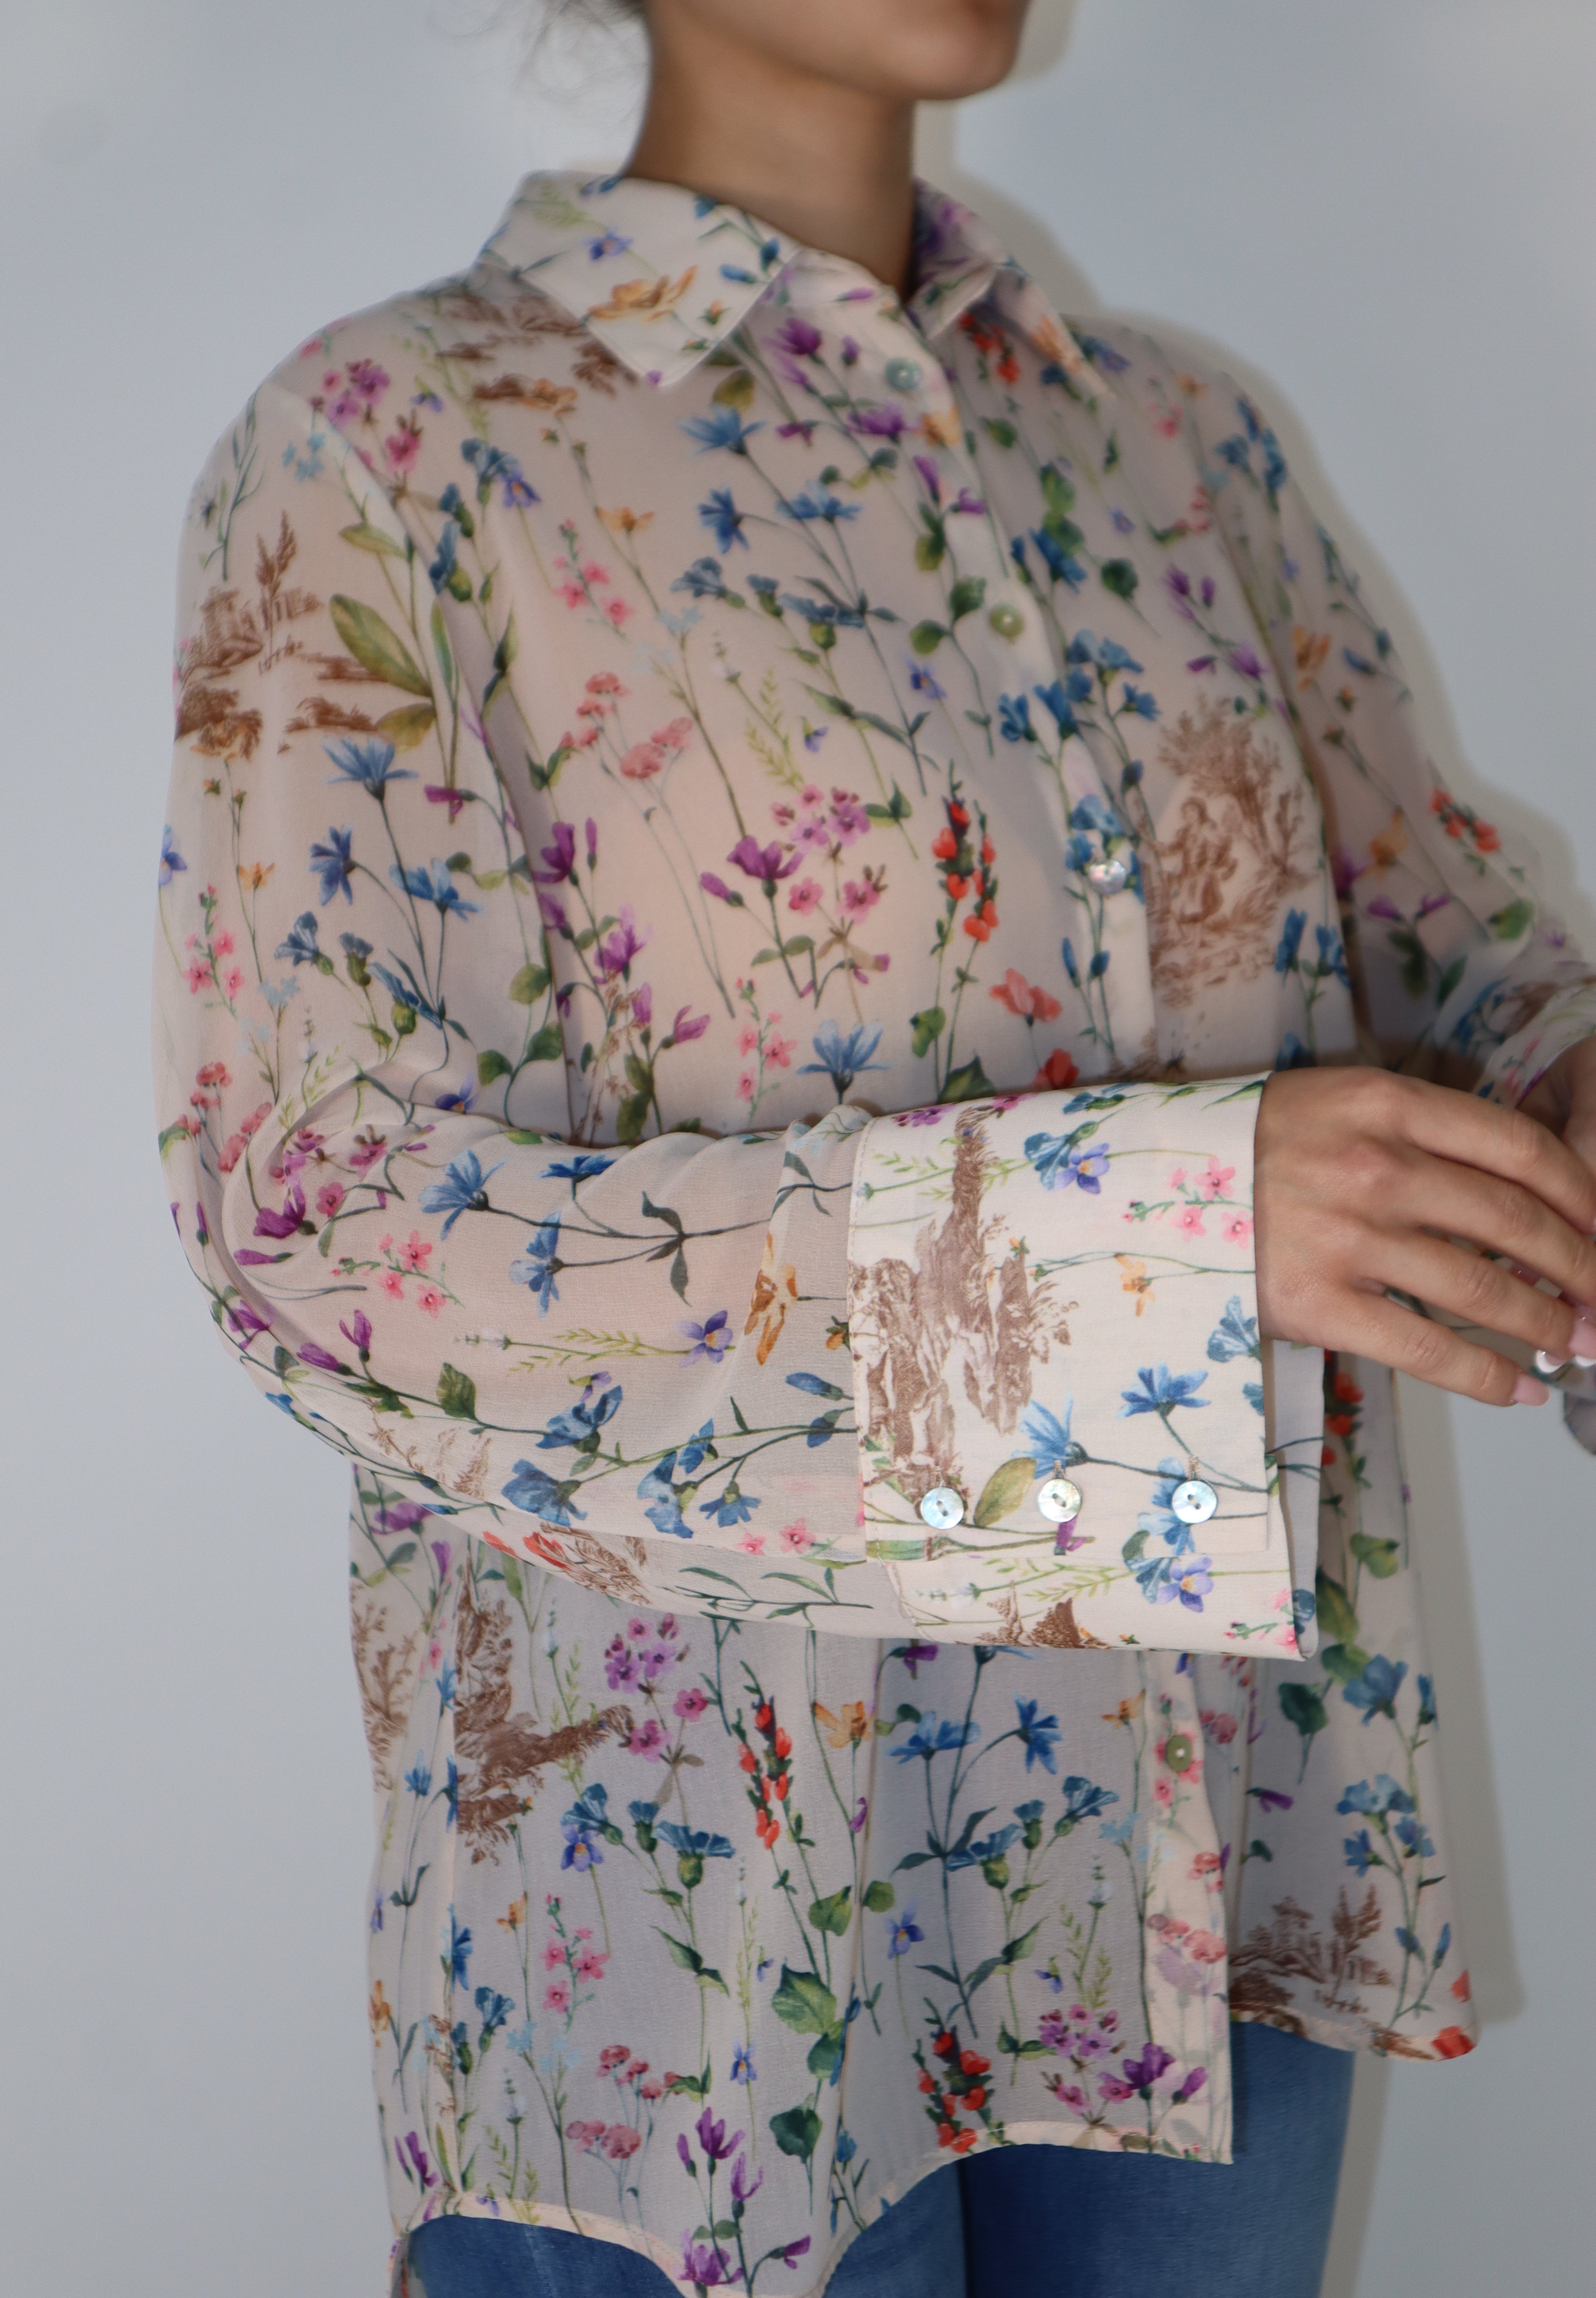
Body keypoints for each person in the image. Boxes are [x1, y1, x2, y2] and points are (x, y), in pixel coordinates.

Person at [151, 2, 1596, 2293]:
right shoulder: (398, 448)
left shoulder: (1174, 445)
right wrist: (1159, 1244)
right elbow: (324, 1234)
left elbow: (1456, 967)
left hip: (1202, 1872)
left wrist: (1554, 1090)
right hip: (702, 1942)